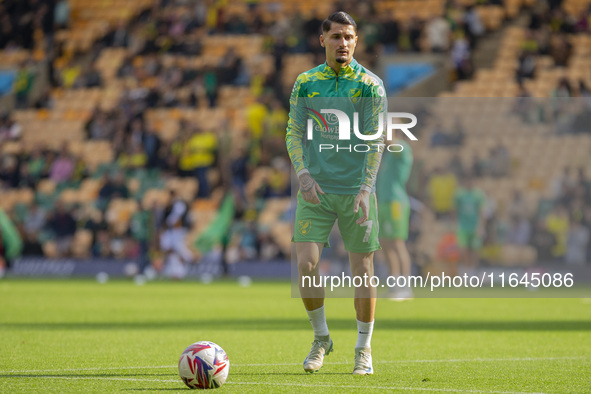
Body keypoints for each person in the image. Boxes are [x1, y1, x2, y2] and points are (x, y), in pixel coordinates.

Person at [285, 11, 386, 375]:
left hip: (356, 192)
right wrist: (304, 175)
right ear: (322, 40)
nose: (343, 43)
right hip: (316, 192)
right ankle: (321, 338)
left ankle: (363, 347)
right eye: (336, 37)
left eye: (349, 37)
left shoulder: (370, 86)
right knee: (306, 265)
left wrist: (365, 188)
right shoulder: (307, 83)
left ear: (356, 41)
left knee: (362, 269)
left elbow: (375, 140)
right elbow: (293, 131)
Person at [376, 138, 413, 300]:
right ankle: (394, 283)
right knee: (385, 243)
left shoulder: (402, 148)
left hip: (396, 203)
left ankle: (405, 286)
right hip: (384, 203)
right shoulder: (386, 155)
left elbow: (391, 142)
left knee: (397, 243)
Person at [454, 176, 486, 275]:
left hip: (475, 226)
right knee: (463, 250)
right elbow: (454, 210)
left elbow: (482, 212)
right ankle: (465, 270)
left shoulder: (478, 195)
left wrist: (481, 226)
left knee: (475, 250)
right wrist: (455, 223)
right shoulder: (459, 195)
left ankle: (472, 272)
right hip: (463, 227)